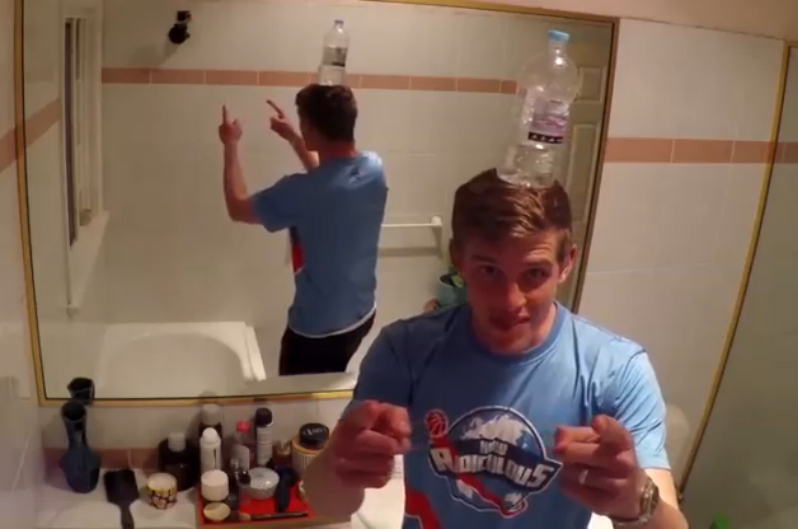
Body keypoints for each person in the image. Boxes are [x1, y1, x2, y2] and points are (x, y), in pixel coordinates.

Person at [304, 169, 688, 528]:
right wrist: (339, 463)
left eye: (534, 273)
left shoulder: (616, 370)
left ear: (566, 263)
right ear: (458, 259)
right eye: (489, 270)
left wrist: (635, 500)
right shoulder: (405, 350)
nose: (510, 301)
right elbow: (330, 505)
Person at [217, 84, 387, 376]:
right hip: (361, 314)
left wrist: (230, 144)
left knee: (295, 399)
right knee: (329, 381)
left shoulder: (299, 192)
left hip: (316, 332)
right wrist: (295, 139)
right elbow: (328, 184)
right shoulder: (373, 168)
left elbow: (237, 207)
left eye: (303, 122)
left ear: (311, 126)